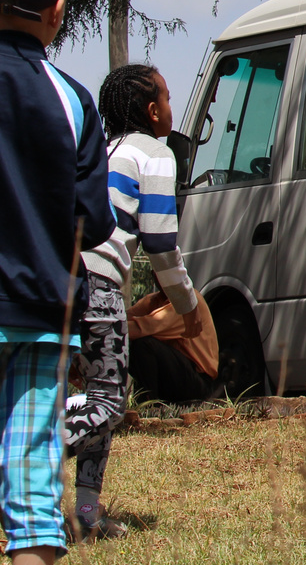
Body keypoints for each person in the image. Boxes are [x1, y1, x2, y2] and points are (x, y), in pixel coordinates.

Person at [0, 0, 117, 565]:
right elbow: (93, 224)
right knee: (31, 488)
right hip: (45, 314)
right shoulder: (72, 98)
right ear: (56, 10)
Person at [65, 64, 205, 539]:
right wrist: (187, 306)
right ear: (153, 110)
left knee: (94, 395)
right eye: (166, 96)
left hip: (64, 281)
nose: (171, 104)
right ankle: (27, 447)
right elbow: (161, 242)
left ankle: (86, 517)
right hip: (98, 287)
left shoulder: (104, 151)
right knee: (107, 403)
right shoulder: (155, 154)